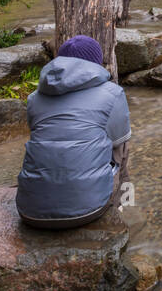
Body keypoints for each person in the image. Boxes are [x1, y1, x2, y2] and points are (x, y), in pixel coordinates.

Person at [16, 35, 131, 229]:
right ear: (95, 62)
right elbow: (119, 138)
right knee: (124, 143)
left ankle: (45, 191)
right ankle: (120, 207)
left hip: (30, 212)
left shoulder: (34, 98)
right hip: (89, 210)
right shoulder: (112, 93)